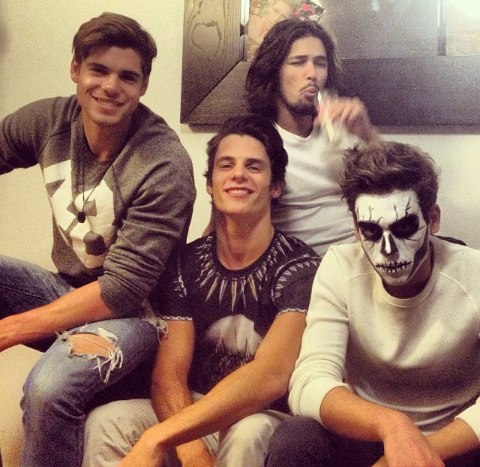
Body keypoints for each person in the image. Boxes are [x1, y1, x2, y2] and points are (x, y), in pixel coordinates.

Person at [0, 12, 195, 467]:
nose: (111, 87)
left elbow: (121, 291)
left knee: (49, 387)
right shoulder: (50, 121)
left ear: (143, 85)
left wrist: (10, 329)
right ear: (75, 69)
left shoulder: (164, 163)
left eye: (127, 76)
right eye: (99, 70)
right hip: (68, 290)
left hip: (142, 317)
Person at [82, 115, 321, 467]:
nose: (238, 174)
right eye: (226, 165)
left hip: (265, 414)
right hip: (197, 410)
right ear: (210, 184)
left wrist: (166, 436)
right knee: (108, 422)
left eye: (254, 166)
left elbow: (271, 374)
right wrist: (191, 448)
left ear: (276, 187)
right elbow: (169, 376)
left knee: (248, 431)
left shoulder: (301, 267)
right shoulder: (184, 263)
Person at [265, 141, 480, 466]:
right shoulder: (340, 267)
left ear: (433, 219)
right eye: (370, 231)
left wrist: (417, 451)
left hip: (455, 441)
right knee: (296, 438)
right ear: (355, 229)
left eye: (404, 227)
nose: (388, 250)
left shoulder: (473, 273)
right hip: (368, 434)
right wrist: (391, 427)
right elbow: (308, 381)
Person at [245, 17, 379, 256]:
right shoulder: (258, 141)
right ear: (274, 72)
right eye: (298, 62)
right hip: (300, 266)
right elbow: (225, 224)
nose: (312, 74)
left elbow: (398, 185)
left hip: (366, 254)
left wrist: (368, 135)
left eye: (320, 63)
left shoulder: (342, 127)